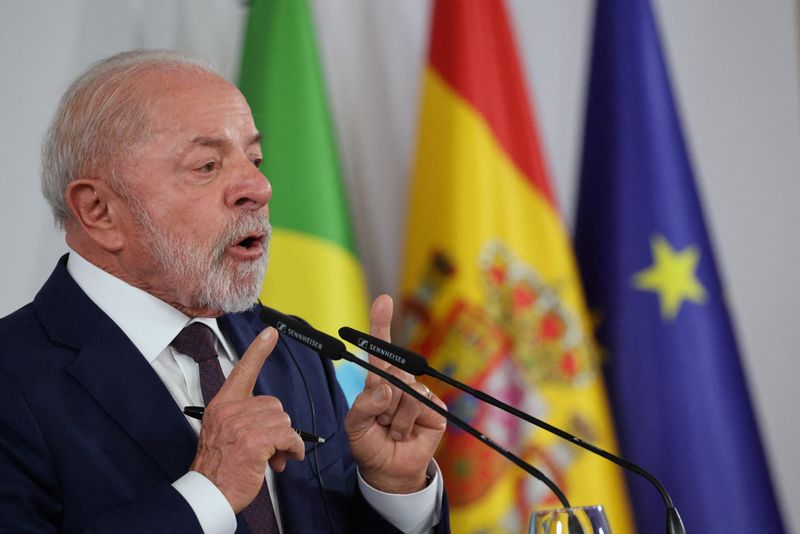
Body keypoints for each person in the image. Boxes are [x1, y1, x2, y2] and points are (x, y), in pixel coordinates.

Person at [0, 49, 449, 533]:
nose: (259, 186)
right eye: (207, 165)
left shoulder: (294, 349)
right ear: (99, 211)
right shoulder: (13, 377)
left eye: (255, 158)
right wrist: (206, 493)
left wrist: (393, 490)